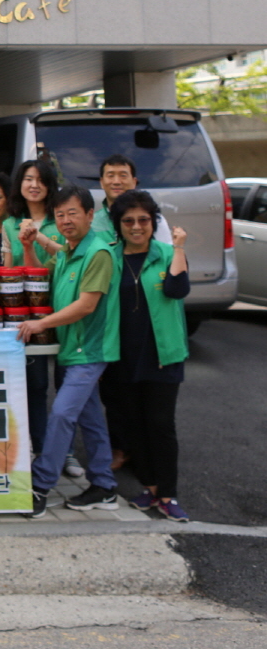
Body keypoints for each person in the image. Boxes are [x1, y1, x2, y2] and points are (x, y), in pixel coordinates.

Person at [18, 184, 121, 516]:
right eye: (59, 214)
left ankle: (40, 485)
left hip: (89, 351)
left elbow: (86, 306)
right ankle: (104, 485)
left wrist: (41, 324)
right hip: (70, 349)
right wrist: (30, 243)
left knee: (62, 413)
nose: (65, 220)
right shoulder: (68, 252)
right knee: (89, 418)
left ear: (91, 215)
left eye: (72, 213)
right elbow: (41, 267)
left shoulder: (98, 253)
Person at [100, 190, 191, 522]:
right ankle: (150, 488)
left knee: (161, 425)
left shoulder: (169, 253)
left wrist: (179, 246)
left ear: (153, 223)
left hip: (163, 354)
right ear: (118, 225)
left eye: (143, 220)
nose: (136, 227)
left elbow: (177, 290)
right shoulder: (109, 257)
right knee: (133, 425)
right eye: (128, 221)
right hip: (123, 354)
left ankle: (169, 494)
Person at [92, 154, 172, 240]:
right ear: (101, 182)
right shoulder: (92, 222)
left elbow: (166, 252)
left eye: (123, 176)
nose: (116, 182)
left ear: (134, 182)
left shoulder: (153, 219)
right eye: (110, 176)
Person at [12, 158, 63, 267]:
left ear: (49, 185)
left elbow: (70, 255)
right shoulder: (8, 224)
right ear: (19, 183)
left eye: (41, 180)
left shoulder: (62, 219)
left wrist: (38, 236)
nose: (34, 185)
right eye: (29, 179)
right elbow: (8, 267)